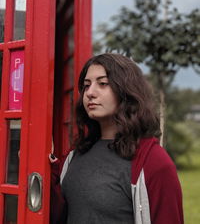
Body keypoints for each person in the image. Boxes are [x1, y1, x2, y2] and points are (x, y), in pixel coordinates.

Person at [49, 53, 184, 224]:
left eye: (103, 84)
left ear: (126, 91)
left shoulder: (154, 162)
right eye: (86, 85)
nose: (90, 93)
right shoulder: (76, 153)